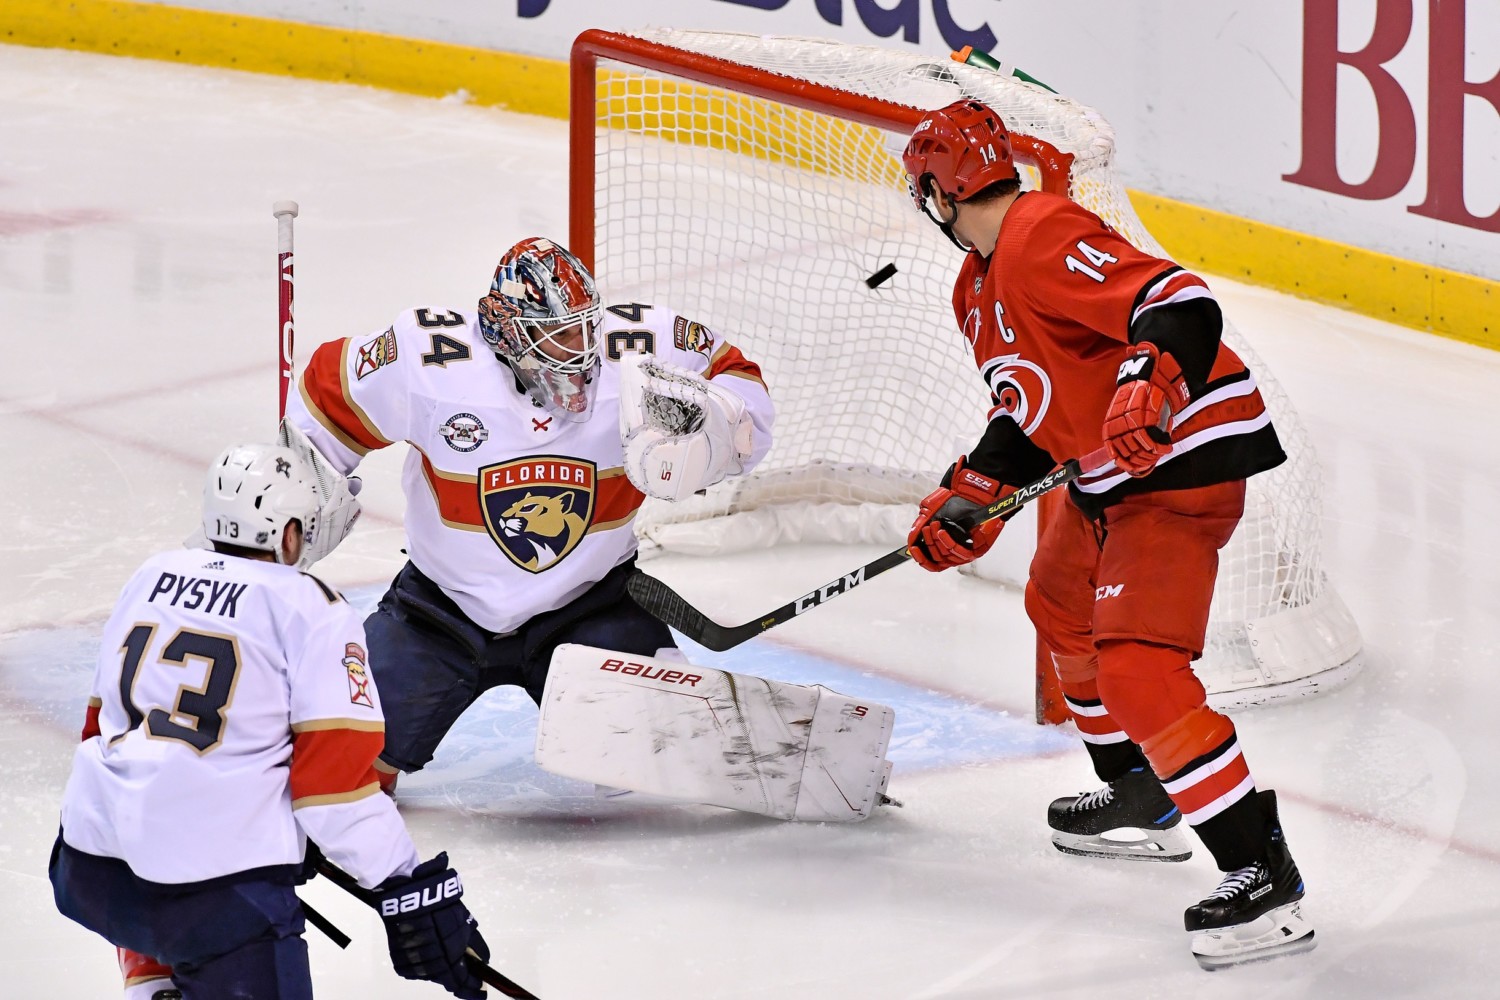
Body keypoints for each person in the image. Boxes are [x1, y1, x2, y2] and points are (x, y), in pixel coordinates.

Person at [900, 99, 1315, 969]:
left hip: (1178, 468)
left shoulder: (1040, 231)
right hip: (1105, 478)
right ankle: (1139, 793)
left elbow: (1180, 303)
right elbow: (1032, 410)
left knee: (1136, 668)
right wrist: (972, 493)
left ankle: (1261, 871)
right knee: (1058, 612)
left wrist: (1150, 381)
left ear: (940, 192)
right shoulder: (974, 286)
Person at [283, 236, 775, 795]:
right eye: (561, 335)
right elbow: (326, 396)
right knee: (342, 773)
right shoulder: (431, 360)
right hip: (441, 611)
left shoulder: (641, 347)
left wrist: (714, 425)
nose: (584, 349)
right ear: (510, 335)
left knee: (676, 760)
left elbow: (740, 380)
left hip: (589, 607)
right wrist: (303, 483)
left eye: (587, 327)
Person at [50, 444, 490, 1000]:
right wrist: (407, 886)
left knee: (154, 851)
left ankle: (152, 980)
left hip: (87, 869)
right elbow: (333, 792)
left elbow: (101, 729)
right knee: (207, 908)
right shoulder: (311, 607)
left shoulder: (151, 574)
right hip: (209, 898)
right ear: (286, 534)